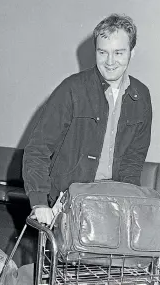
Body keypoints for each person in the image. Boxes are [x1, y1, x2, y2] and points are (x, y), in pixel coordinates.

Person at [23, 14, 152, 225]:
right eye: (103, 52)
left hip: (113, 204)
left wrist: (130, 201)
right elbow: (38, 149)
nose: (110, 62)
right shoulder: (71, 90)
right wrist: (39, 202)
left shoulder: (141, 96)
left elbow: (133, 159)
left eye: (118, 53)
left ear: (132, 53)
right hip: (66, 203)